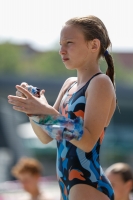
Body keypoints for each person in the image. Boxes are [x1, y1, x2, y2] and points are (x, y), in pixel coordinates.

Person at [8, 15, 116, 200]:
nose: (61, 50)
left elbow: (88, 140)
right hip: (66, 185)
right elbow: (45, 136)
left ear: (93, 45)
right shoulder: (69, 84)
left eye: (69, 43)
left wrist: (46, 110)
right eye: (60, 44)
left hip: (88, 184)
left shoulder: (100, 82)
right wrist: (32, 108)